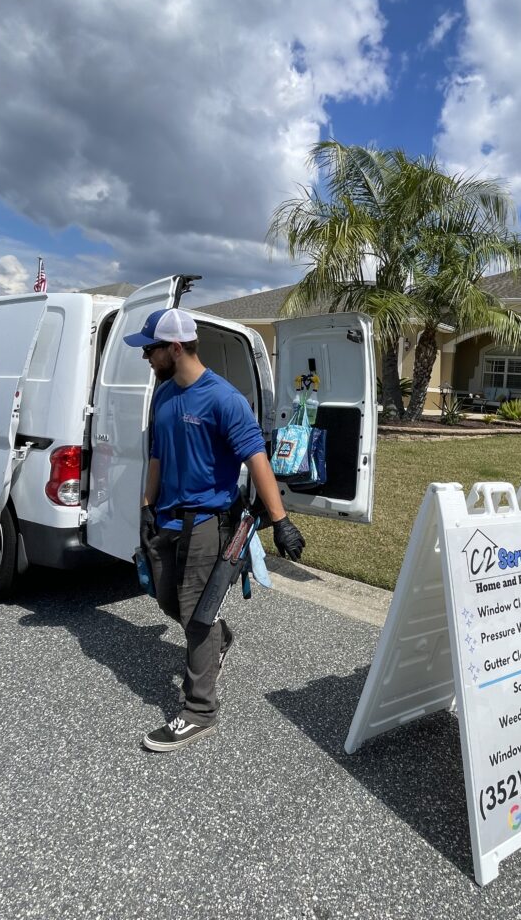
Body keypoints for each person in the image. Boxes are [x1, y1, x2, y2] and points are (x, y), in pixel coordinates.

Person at [123, 307, 305, 753]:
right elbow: (157, 456)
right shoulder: (164, 396)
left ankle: (199, 710)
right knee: (167, 599)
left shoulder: (225, 399)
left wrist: (281, 521)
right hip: (166, 517)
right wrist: (146, 505)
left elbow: (256, 459)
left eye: (150, 349)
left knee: (195, 614)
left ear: (175, 348)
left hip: (207, 521)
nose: (146, 357)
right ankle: (219, 641)